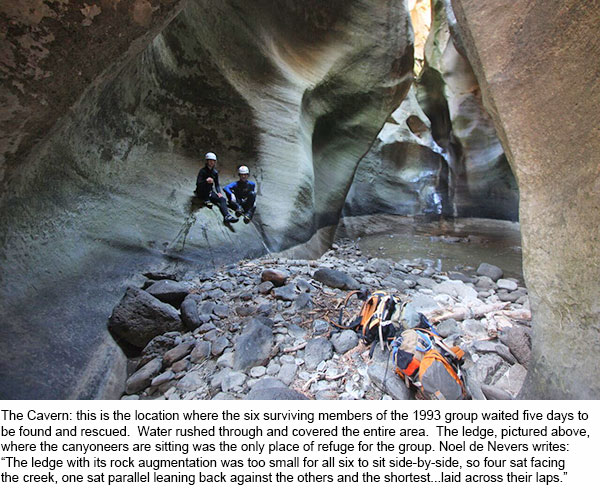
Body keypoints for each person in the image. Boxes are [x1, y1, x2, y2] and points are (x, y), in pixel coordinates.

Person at [195, 152, 238, 224]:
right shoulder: (202, 171)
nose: (212, 162)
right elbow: (198, 183)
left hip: (209, 192)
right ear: (207, 161)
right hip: (201, 191)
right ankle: (206, 200)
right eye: (210, 160)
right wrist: (206, 181)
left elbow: (217, 184)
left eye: (213, 161)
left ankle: (227, 216)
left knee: (222, 199)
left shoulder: (214, 172)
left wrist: (219, 193)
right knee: (208, 184)